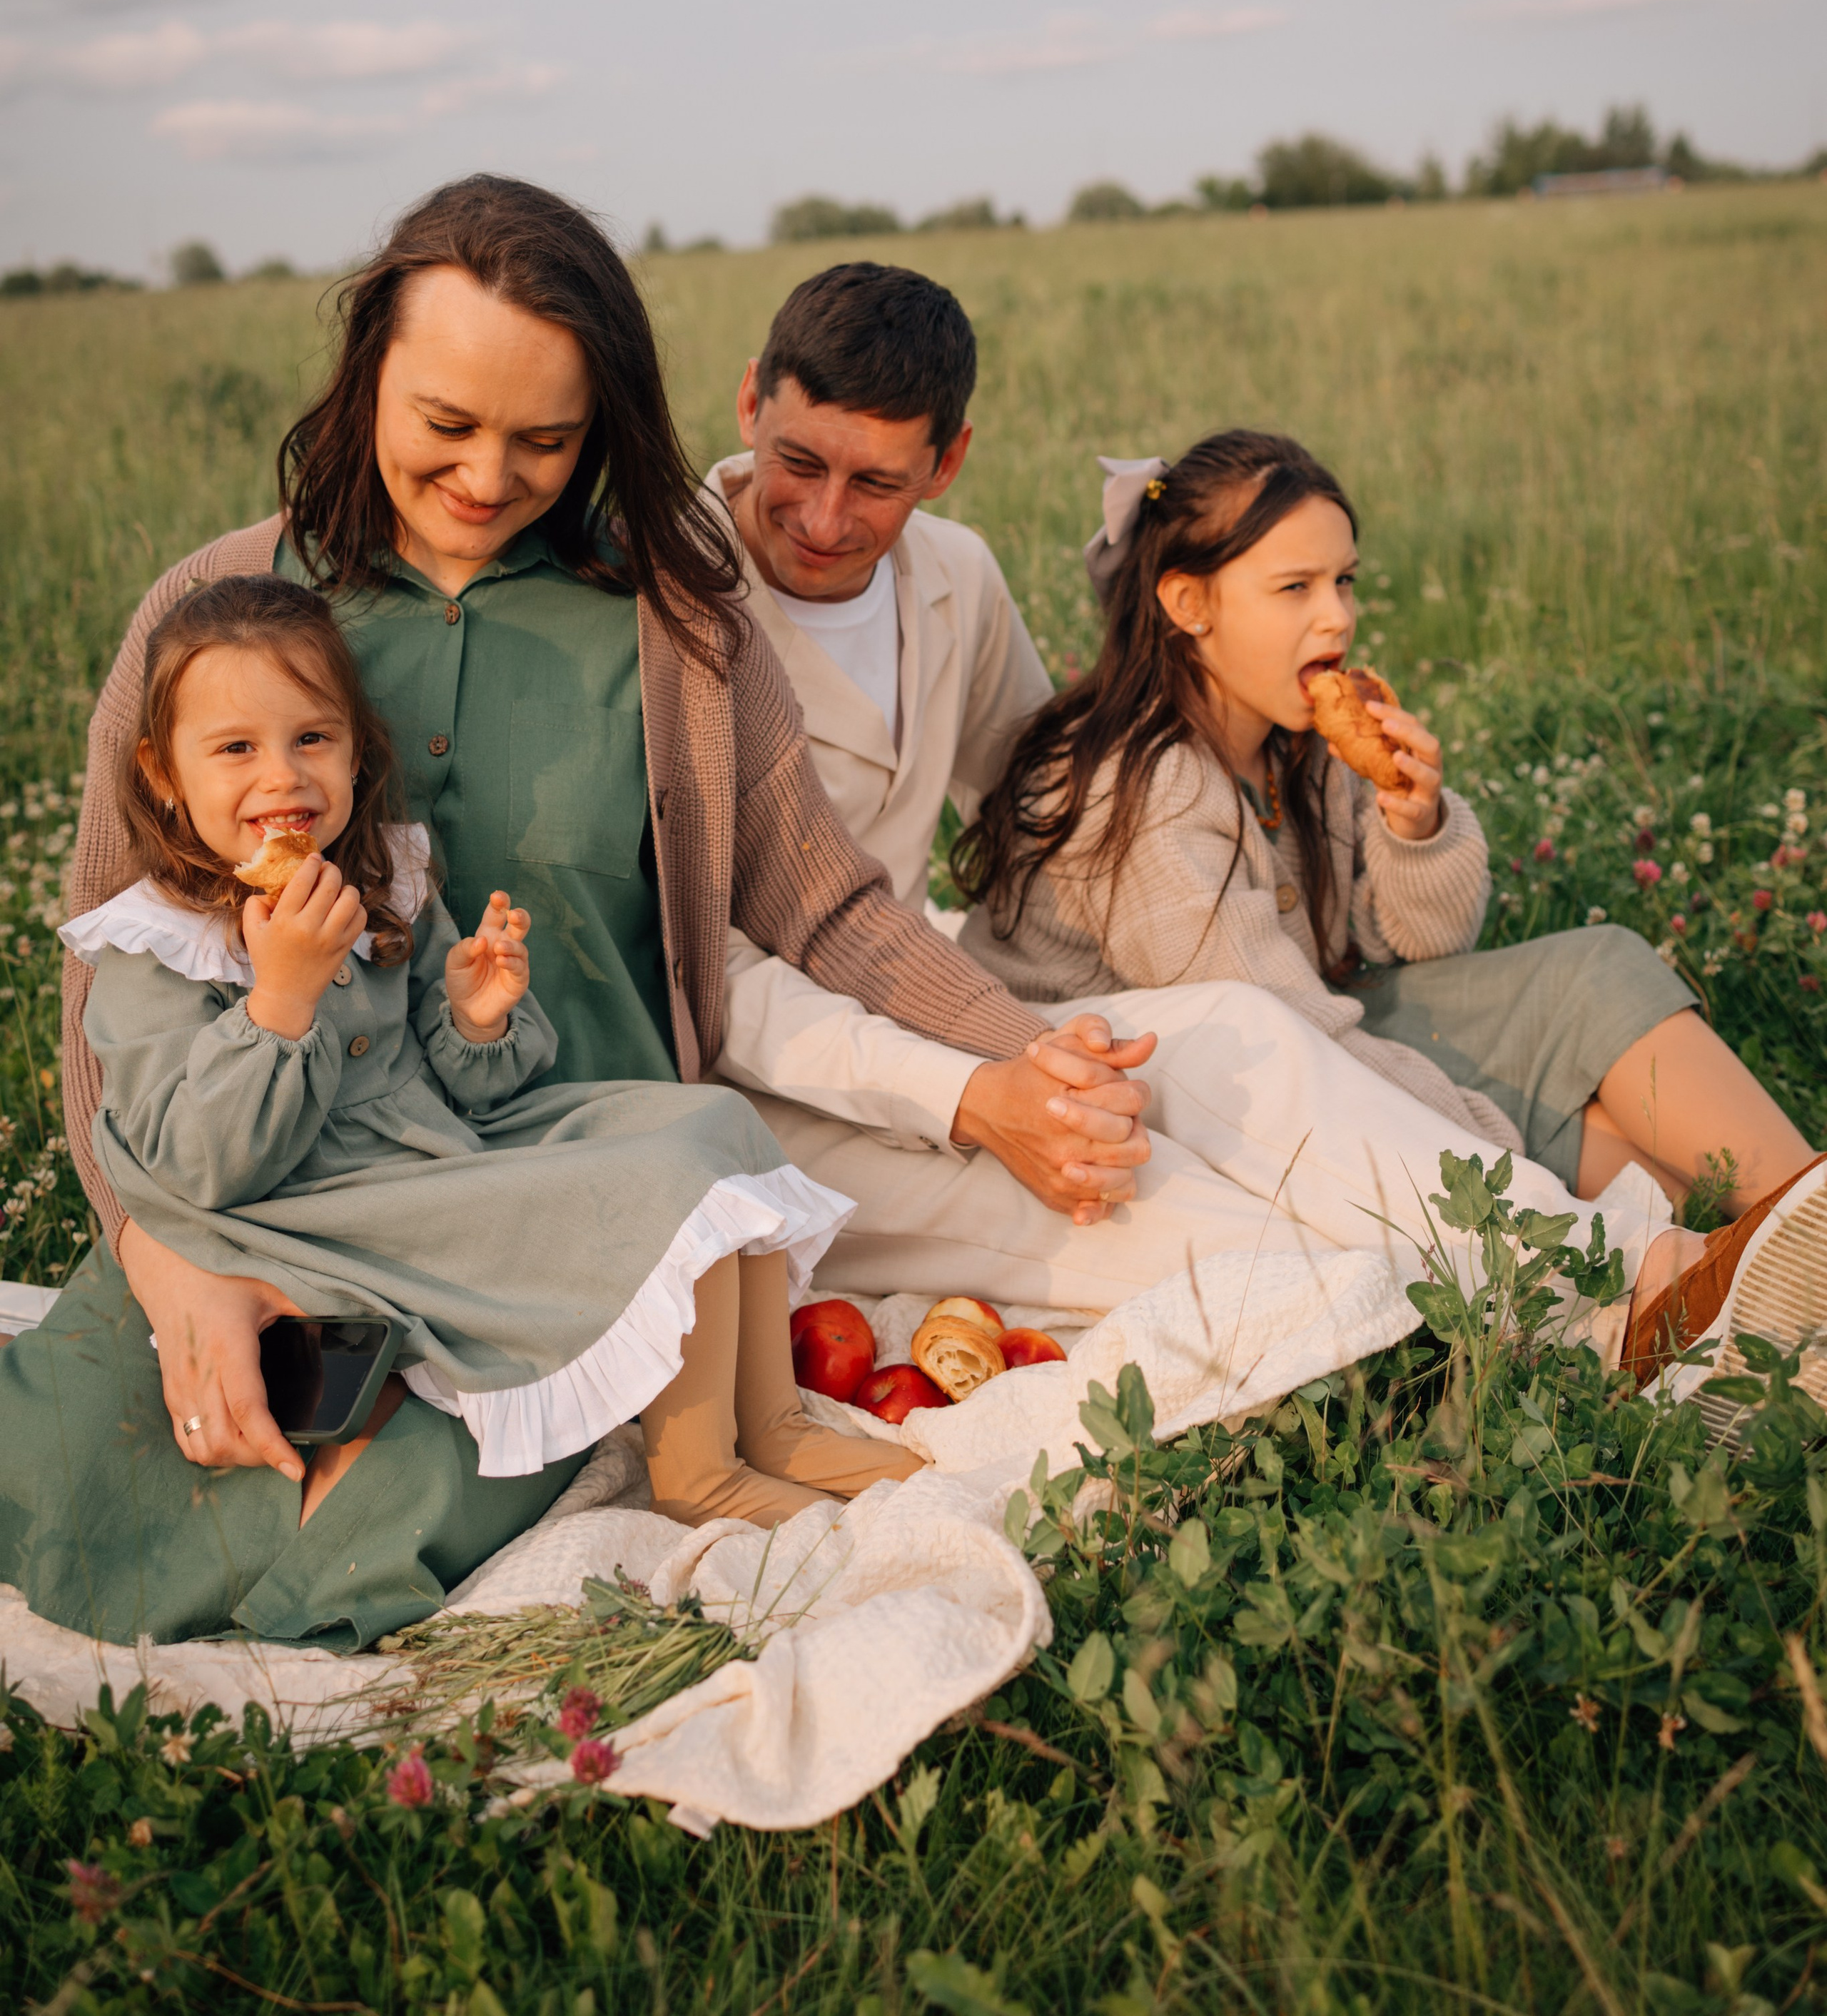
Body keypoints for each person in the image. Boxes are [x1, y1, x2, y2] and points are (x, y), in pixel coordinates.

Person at [56, 178, 1147, 1622]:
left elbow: (821, 902)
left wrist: (1018, 1051)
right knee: (99, 1486)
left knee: (382, 1537)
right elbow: (102, 990)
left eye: (545, 439)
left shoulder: (677, 614)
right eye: (445, 424)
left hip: (584, 1213)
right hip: (280, 1182)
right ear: (367, 369)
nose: (487, 476)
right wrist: (156, 1253)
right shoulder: (216, 612)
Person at [699, 270, 1672, 1350]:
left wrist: (1228, 762)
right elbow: (710, 977)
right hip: (779, 1097)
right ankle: (1581, 1323)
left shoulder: (955, 574)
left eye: (878, 482)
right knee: (1237, 1238)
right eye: (797, 463)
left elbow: (1045, 788)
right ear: (751, 402)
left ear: (948, 463)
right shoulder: (672, 592)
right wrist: (983, 1087)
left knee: (1248, 1033)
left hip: (956, 1012)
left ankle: (1633, 1279)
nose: (828, 517)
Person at [951, 425, 1827, 1402]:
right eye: (1295, 589)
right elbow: (1281, 1037)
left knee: (1597, 970)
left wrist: (1417, 827)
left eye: (1346, 582)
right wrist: (1488, 1129)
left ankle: (1797, 1235)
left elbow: (1409, 943)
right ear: (1187, 603)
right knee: (1621, 1156)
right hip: (1183, 1093)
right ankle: (1741, 1288)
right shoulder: (1140, 789)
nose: (1337, 618)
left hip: (1315, 1020)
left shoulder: (1300, 738)